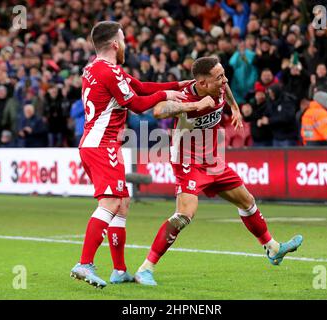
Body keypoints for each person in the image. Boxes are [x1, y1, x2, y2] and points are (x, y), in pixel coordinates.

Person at [134, 57, 303, 286]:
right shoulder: (185, 94)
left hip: (213, 161)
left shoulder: (220, 87)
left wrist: (234, 107)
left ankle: (272, 249)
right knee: (185, 215)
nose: (224, 80)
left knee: (247, 202)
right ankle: (145, 269)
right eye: (219, 77)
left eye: (223, 75)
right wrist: (193, 106)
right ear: (202, 83)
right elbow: (159, 111)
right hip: (188, 162)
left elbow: (226, 89)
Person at [70, 21, 189, 288]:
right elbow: (136, 104)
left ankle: (119, 270)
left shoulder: (95, 68)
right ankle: (85, 263)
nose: (126, 45)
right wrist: (165, 95)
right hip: (102, 145)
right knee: (111, 203)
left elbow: (141, 86)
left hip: (98, 144)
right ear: (115, 44)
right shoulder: (109, 72)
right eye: (123, 40)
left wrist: (179, 85)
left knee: (122, 203)